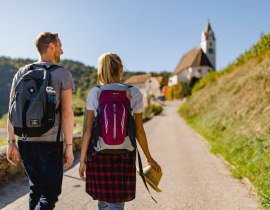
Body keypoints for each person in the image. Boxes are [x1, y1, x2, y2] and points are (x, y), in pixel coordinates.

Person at [79, 52, 161, 210]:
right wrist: (149, 158)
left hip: (99, 154)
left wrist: (82, 160)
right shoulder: (133, 93)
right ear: (121, 69)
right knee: (116, 202)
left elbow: (87, 130)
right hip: (124, 154)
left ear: (100, 71)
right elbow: (139, 131)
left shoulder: (95, 93)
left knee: (103, 199)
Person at [6, 32, 75, 210]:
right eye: (60, 45)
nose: (62, 50)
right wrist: (69, 147)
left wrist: (11, 142)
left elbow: (12, 110)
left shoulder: (21, 72)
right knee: (49, 194)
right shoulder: (62, 74)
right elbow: (67, 113)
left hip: (26, 142)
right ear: (51, 46)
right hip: (50, 144)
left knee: (35, 190)